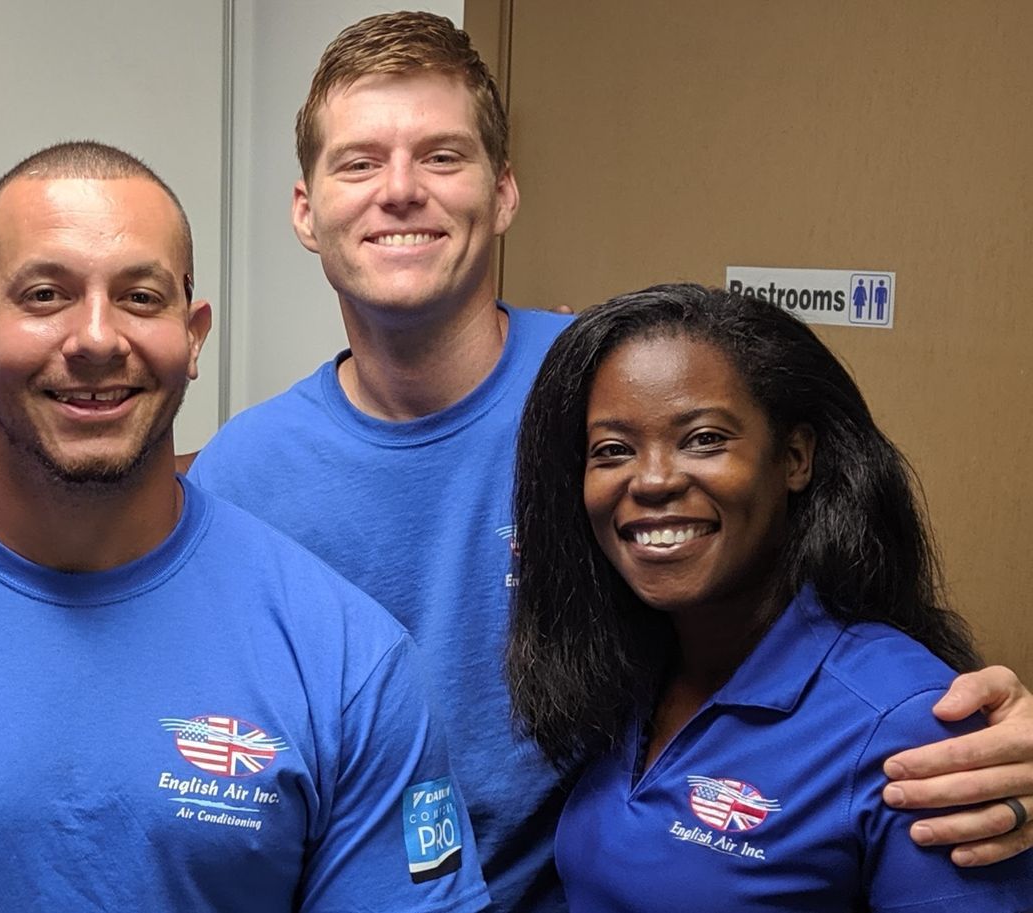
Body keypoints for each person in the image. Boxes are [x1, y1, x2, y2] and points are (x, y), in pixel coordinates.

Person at [181, 11, 1033, 910]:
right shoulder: (245, 470)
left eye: (442, 156)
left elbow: (818, 583)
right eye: (359, 162)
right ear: (306, 211)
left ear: (503, 192)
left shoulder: (622, 392)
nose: (401, 191)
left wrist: (986, 723)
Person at [0, 142, 490, 913]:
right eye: (45, 295)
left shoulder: (350, 661)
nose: (97, 338)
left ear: (194, 335)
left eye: (141, 296)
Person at [507, 283, 1033, 910]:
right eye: (613, 451)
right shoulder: (631, 667)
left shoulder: (910, 726)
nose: (650, 481)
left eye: (703, 438)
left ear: (794, 458)